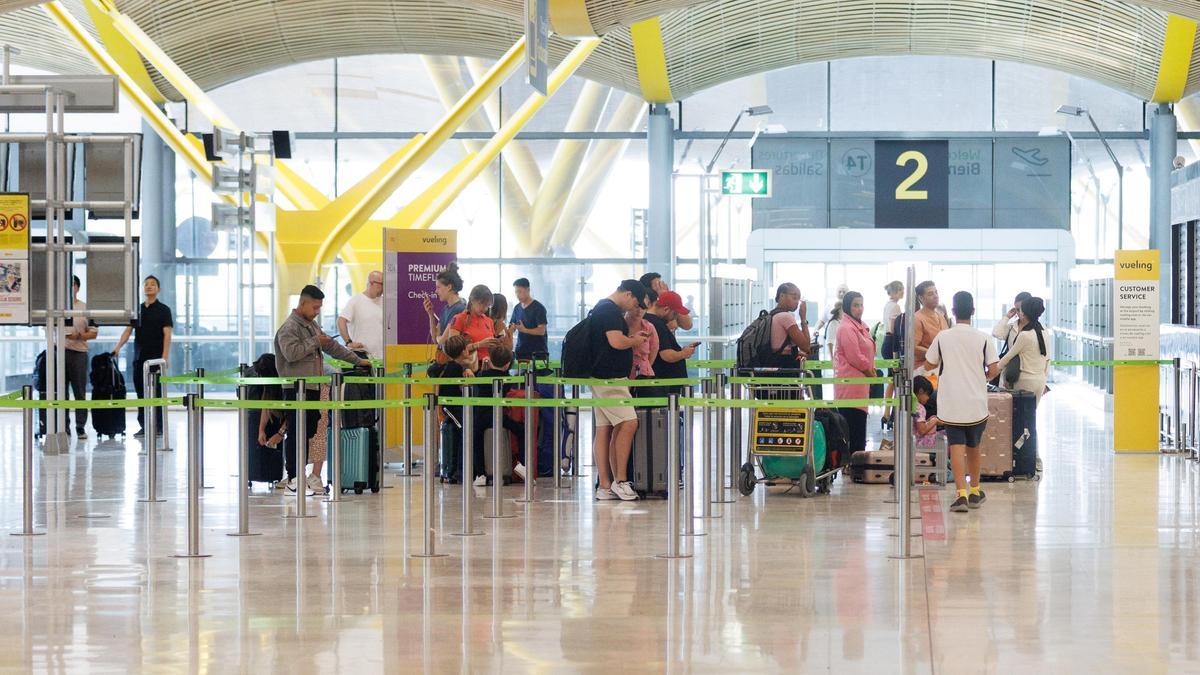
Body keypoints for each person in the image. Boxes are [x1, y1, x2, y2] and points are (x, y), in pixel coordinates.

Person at [274, 284, 369, 494]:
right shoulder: (289, 328)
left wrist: (357, 361)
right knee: (296, 430)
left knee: (307, 429)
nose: (317, 312)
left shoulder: (312, 327)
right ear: (303, 303)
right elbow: (291, 353)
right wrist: (315, 341)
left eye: (319, 308)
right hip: (296, 389)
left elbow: (332, 347)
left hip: (313, 386)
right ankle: (293, 476)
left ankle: (300, 473)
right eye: (314, 307)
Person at [923, 291, 1001, 514]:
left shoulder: (943, 337)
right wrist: (979, 377)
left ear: (953, 312)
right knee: (974, 446)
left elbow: (929, 363)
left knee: (956, 445)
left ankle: (961, 495)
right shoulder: (984, 338)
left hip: (952, 402)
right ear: (973, 311)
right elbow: (994, 369)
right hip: (976, 401)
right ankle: (976, 490)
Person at [588, 280, 649, 501]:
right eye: (635, 302)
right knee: (629, 422)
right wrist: (634, 340)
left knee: (605, 428)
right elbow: (615, 341)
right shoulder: (610, 311)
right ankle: (620, 481)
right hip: (610, 379)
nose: (633, 307)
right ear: (629, 294)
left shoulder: (601, 307)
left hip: (601, 377)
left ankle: (605, 485)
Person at [111, 275, 174, 437]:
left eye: (153, 284)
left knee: (157, 392)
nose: (149, 287)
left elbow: (167, 335)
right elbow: (128, 331)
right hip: (139, 357)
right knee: (141, 393)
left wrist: (165, 357)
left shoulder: (164, 310)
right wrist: (117, 347)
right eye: (146, 284)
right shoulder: (137, 310)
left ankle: (158, 426)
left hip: (156, 358)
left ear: (158, 289)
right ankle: (145, 425)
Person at [469, 345, 529, 485]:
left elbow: (480, 381)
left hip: (480, 416)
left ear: (490, 361)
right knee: (521, 430)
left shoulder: (481, 375)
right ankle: (522, 465)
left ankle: (480, 474)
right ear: (508, 364)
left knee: (476, 440)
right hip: (498, 416)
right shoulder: (507, 379)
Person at [833, 291, 876, 452]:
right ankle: (851, 464)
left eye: (861, 305)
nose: (859, 309)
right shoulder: (846, 328)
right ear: (847, 307)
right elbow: (855, 356)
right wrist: (870, 371)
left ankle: (856, 464)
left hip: (860, 386)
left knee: (859, 428)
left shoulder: (860, 326)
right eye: (855, 305)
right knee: (852, 429)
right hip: (850, 386)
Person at [997, 297, 1050, 403]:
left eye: (1020, 310)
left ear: (1023, 314)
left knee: (1019, 416)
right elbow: (1047, 359)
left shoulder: (1025, 335)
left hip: (1024, 381)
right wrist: (1044, 379)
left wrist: (991, 373)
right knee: (1030, 416)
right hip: (1040, 380)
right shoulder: (1044, 332)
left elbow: (1008, 357)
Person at [644, 290, 697, 398]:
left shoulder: (649, 320)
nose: (675, 318)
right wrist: (684, 353)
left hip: (660, 383)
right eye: (675, 313)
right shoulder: (657, 325)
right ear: (666, 309)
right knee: (668, 414)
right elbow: (666, 355)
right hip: (664, 384)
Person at [65, 275, 98, 437]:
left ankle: (80, 426)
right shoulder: (56, 308)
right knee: (59, 392)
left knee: (79, 392)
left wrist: (78, 336)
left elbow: (93, 333)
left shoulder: (86, 308)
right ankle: (62, 426)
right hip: (59, 353)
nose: (70, 288)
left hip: (79, 354)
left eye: (72, 285)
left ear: (77, 288)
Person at [447, 284, 501, 363]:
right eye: (481, 304)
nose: (485, 308)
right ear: (472, 300)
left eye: (487, 305)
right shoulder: (459, 319)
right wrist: (478, 345)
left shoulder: (489, 321)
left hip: (487, 365)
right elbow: (452, 350)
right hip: (468, 368)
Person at [337, 270, 384, 360]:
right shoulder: (356, 300)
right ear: (371, 283)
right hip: (363, 356)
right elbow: (341, 320)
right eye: (381, 284)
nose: (383, 288)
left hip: (383, 356)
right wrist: (348, 342)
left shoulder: (385, 302)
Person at [424, 263, 465, 353]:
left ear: (449, 287)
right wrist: (431, 314)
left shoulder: (460, 309)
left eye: (438, 287)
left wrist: (439, 339)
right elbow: (435, 339)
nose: (436, 291)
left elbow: (442, 341)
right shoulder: (446, 308)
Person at [768, 282, 811, 367]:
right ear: (782, 296)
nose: (797, 302)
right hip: (784, 366)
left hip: (771, 363)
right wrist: (803, 318)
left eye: (798, 299)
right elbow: (806, 347)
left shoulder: (771, 315)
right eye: (794, 297)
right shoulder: (786, 317)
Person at [880, 280, 904, 427]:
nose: (903, 292)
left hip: (886, 342)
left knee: (892, 379)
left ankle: (887, 412)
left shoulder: (888, 305)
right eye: (901, 290)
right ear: (896, 291)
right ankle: (888, 413)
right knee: (893, 379)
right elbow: (894, 329)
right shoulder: (895, 306)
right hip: (891, 343)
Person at [509, 278, 548, 362]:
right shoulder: (517, 308)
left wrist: (524, 330)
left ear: (528, 290)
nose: (517, 295)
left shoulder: (538, 308)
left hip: (537, 353)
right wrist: (511, 328)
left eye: (520, 291)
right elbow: (512, 326)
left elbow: (541, 331)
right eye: (516, 292)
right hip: (521, 352)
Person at [911, 281, 945, 374]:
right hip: (924, 368)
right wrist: (935, 353)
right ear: (921, 298)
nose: (935, 296)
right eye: (930, 294)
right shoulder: (917, 318)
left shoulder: (940, 316)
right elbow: (913, 348)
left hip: (941, 366)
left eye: (936, 292)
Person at [628, 289, 660, 380]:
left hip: (644, 374)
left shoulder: (649, 327)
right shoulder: (618, 325)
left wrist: (644, 366)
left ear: (648, 307)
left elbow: (653, 351)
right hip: (622, 375)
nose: (639, 311)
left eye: (643, 307)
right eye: (636, 306)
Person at [816, 284, 849, 358]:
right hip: (835, 345)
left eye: (844, 292)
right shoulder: (830, 306)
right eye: (840, 291)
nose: (841, 294)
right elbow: (821, 321)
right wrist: (816, 330)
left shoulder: (852, 307)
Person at [912, 376, 942, 450]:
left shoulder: (911, 405)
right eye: (927, 395)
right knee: (945, 436)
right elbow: (922, 430)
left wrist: (929, 421)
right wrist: (935, 421)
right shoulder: (919, 408)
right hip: (919, 443)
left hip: (911, 442)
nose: (928, 398)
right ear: (921, 391)